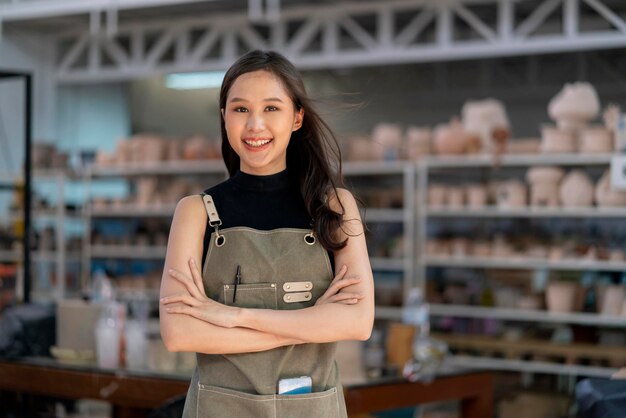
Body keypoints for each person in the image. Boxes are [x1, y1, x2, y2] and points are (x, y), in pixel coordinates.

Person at [159, 49, 374, 418]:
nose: (255, 125)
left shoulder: (334, 207)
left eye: (271, 108)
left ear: (297, 117)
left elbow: (358, 321)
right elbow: (179, 333)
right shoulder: (195, 213)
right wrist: (313, 322)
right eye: (241, 109)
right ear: (224, 116)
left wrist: (232, 316)